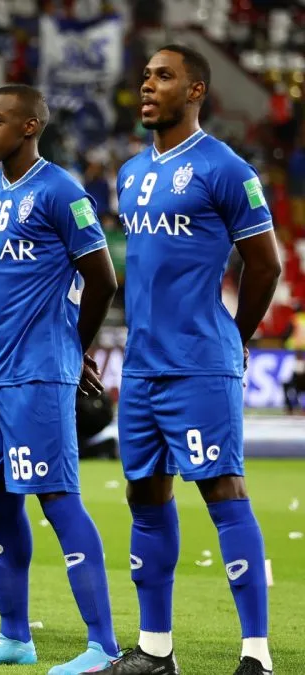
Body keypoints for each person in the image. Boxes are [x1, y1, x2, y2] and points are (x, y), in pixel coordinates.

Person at [101, 45, 280, 675]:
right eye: (146, 75)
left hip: (200, 362)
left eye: (164, 77)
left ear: (197, 90)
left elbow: (266, 263)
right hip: (143, 366)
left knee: (222, 490)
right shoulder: (126, 172)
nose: (147, 86)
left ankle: (256, 655)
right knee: (144, 496)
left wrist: (237, 335)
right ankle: (155, 652)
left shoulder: (225, 168)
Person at [0, 84, 120, 674]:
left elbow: (101, 280)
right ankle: (16, 637)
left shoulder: (61, 192)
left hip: (39, 373)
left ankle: (102, 646)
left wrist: (73, 349)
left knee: (56, 499)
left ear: (30, 126)